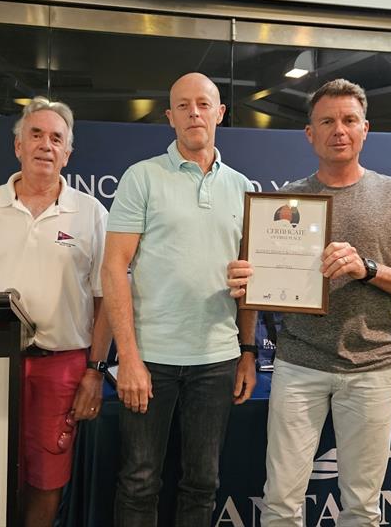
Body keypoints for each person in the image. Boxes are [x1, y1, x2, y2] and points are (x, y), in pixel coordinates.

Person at [228, 78, 391, 527]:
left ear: (365, 129)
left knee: (362, 507)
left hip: (373, 369)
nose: (338, 130)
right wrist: (250, 309)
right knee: (281, 502)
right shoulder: (286, 200)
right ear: (310, 133)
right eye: (327, 121)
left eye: (348, 120)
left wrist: (369, 269)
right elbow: (257, 286)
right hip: (299, 364)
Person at [102, 72, 257, 527]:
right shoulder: (142, 177)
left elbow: (252, 281)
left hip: (217, 360)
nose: (195, 113)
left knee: (203, 483)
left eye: (204, 104)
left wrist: (248, 352)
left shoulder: (244, 187)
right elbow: (114, 268)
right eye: (184, 106)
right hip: (151, 360)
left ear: (220, 113)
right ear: (170, 117)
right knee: (139, 481)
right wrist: (127, 357)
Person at [0, 97, 110, 527]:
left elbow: (104, 300)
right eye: (35, 135)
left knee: (47, 478)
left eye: (56, 138)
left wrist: (95, 372)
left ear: (68, 153)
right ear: (17, 145)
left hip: (62, 367)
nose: (45, 145)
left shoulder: (91, 213)